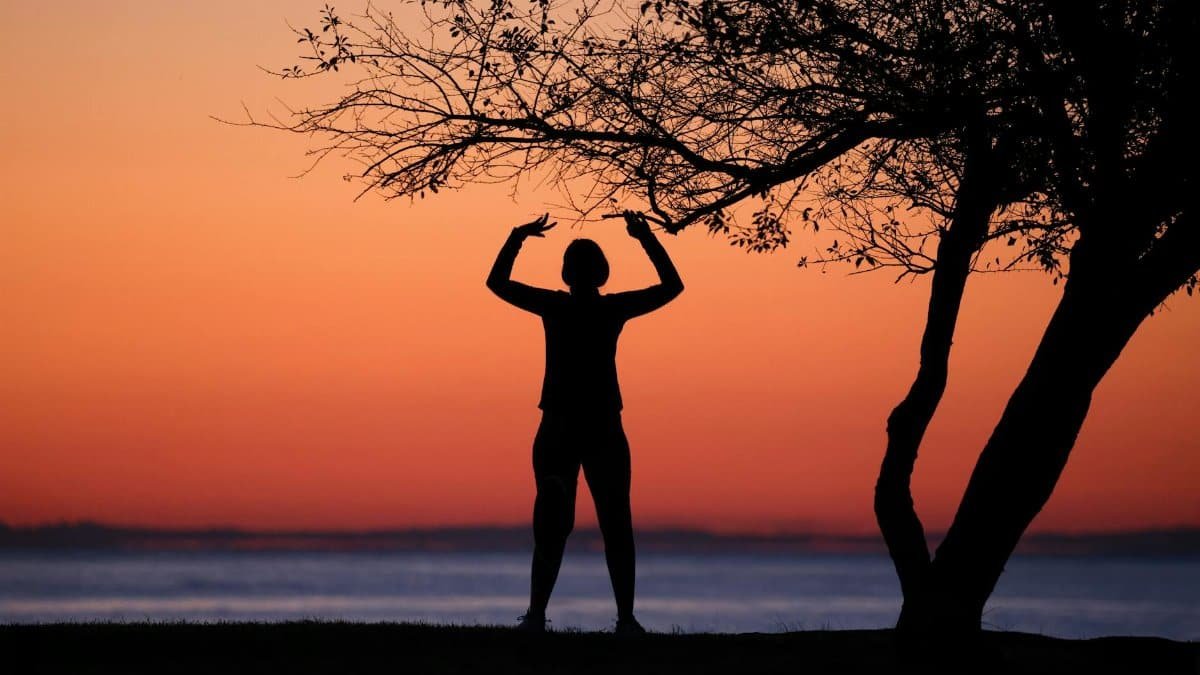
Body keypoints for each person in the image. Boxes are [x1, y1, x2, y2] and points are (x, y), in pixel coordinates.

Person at [486, 210, 684, 635]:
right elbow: (673, 286)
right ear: (602, 273)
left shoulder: (556, 305)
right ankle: (624, 619)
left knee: (555, 524)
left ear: (566, 273)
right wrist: (645, 238)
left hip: (563, 426)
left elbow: (496, 283)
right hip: (598, 427)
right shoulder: (611, 308)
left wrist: (516, 237)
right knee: (613, 523)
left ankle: (538, 617)